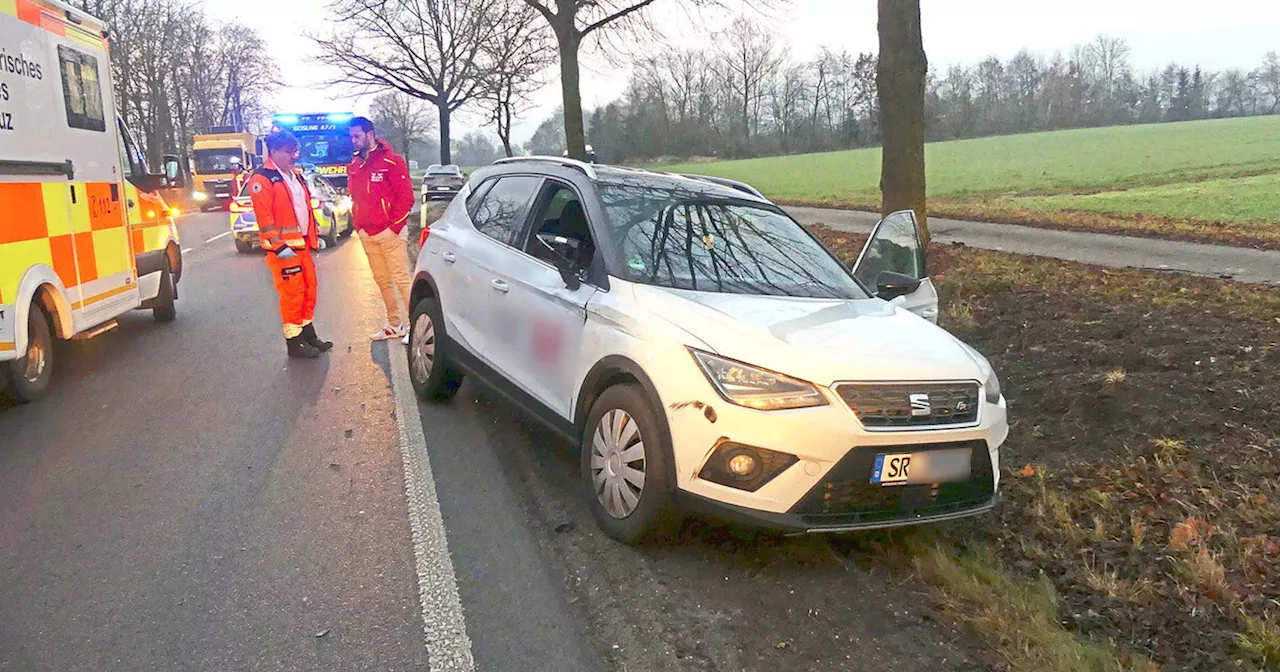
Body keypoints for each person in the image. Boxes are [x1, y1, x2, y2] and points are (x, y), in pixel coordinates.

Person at [247, 131, 333, 359]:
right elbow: (265, 217)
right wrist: (278, 246)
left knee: (309, 290)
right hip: (284, 249)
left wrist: (315, 237)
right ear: (273, 152)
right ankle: (294, 342)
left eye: (295, 151)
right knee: (293, 294)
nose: (293, 156)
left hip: (301, 245)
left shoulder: (295, 176)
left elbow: (303, 209)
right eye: (288, 152)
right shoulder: (263, 179)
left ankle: (307, 333)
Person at [347, 116, 415, 342]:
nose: (353, 140)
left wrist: (394, 228)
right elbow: (354, 197)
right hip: (368, 234)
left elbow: (406, 198)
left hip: (390, 233)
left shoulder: (392, 162)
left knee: (401, 279)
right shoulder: (355, 164)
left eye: (356, 136)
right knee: (382, 281)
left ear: (370, 134)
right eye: (351, 137)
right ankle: (395, 324)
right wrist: (359, 226)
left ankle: (416, 325)